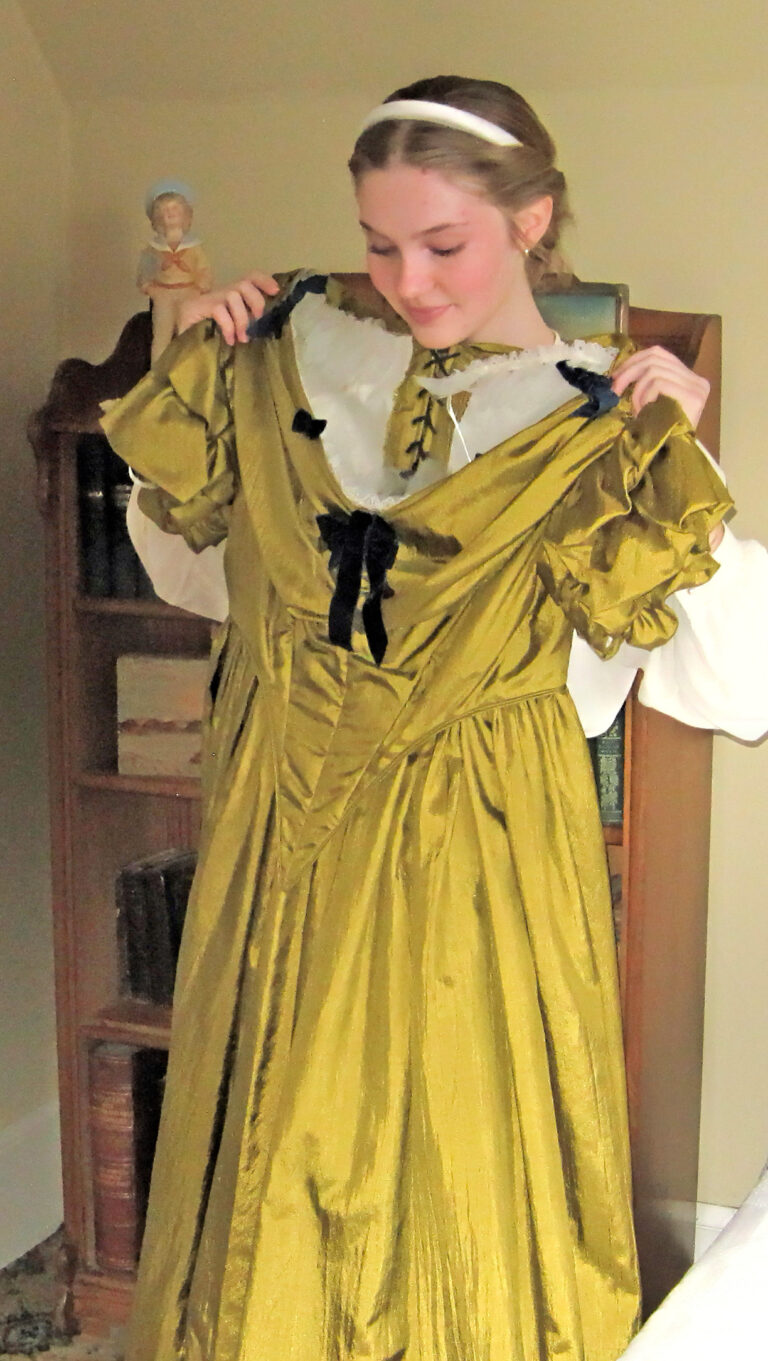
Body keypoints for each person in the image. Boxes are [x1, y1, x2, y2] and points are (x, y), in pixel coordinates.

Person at [101, 76, 768, 1361]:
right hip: (277, 823)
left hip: (475, 861)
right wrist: (212, 361)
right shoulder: (297, 361)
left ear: (533, 222)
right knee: (263, 1162)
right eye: (379, 242)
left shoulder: (606, 417)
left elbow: (735, 684)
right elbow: (198, 581)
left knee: (452, 1178)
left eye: (443, 243)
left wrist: (675, 450)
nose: (409, 279)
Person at [137, 179, 213, 363]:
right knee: (162, 334)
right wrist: (152, 289)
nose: (170, 214)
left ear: (185, 215)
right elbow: (144, 274)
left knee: (187, 332)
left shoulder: (194, 247)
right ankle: (157, 374)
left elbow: (204, 270)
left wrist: (200, 288)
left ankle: (188, 370)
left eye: (175, 209)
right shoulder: (154, 248)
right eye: (165, 210)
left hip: (188, 292)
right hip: (164, 294)